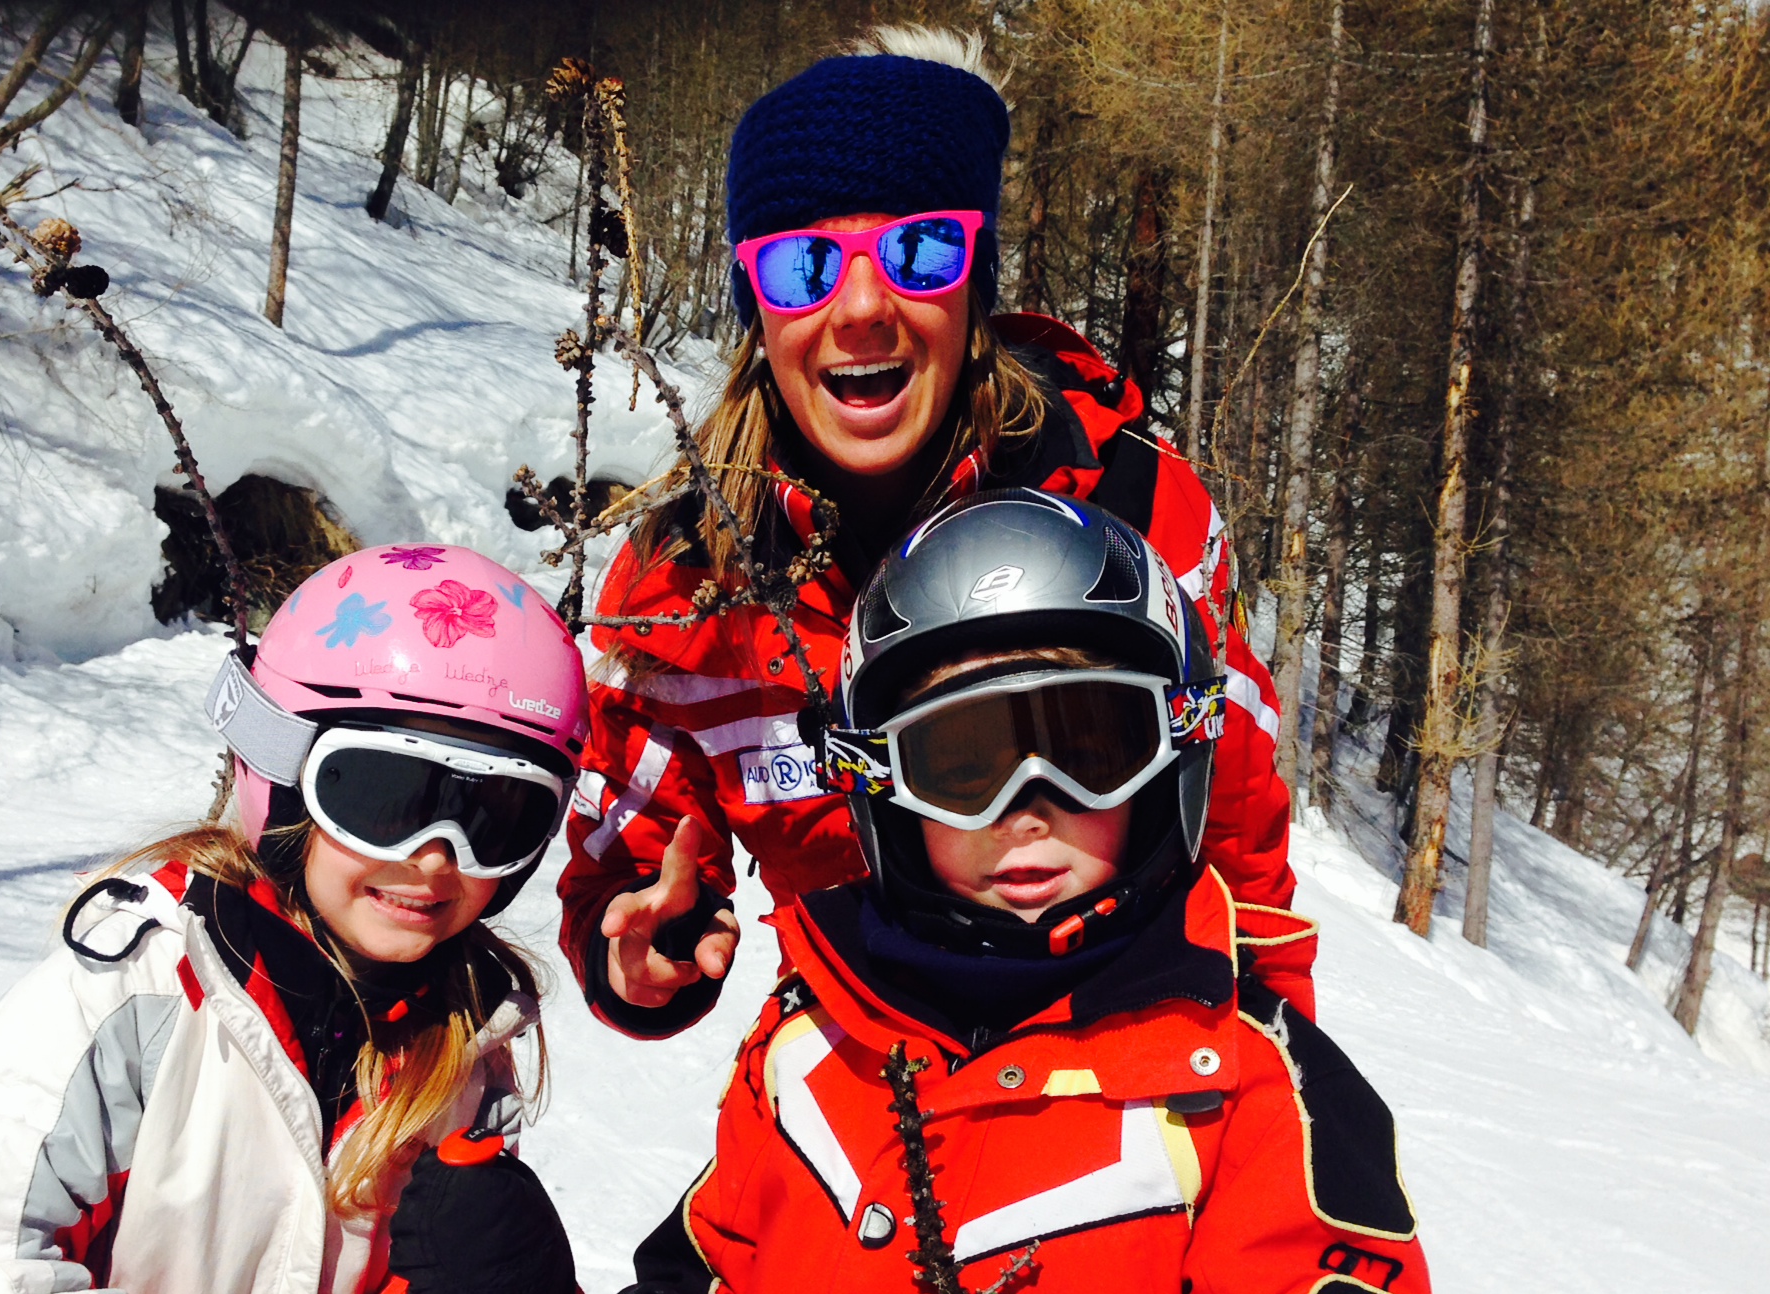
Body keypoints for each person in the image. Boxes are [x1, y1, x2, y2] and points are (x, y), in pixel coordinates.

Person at [499, 494, 1430, 1294]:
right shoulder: (816, 1040)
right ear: (882, 784)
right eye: (962, 764)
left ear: (1171, 748)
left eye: (1086, 746)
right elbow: (711, 1286)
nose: (1026, 807)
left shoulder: (1258, 1098)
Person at [560, 26, 1314, 1043]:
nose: (861, 308)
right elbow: (626, 860)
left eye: (917, 251)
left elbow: (1237, 847)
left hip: (1125, 1072)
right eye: (801, 267)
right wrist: (638, 949)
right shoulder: (688, 580)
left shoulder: (1131, 514)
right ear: (753, 305)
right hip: (869, 1087)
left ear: (974, 283)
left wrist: (1270, 1078)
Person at [0, 546, 589, 1294]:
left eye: (495, 815)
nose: (433, 858)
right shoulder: (135, 995)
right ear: (276, 773)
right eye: (382, 794)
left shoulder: (459, 1063)